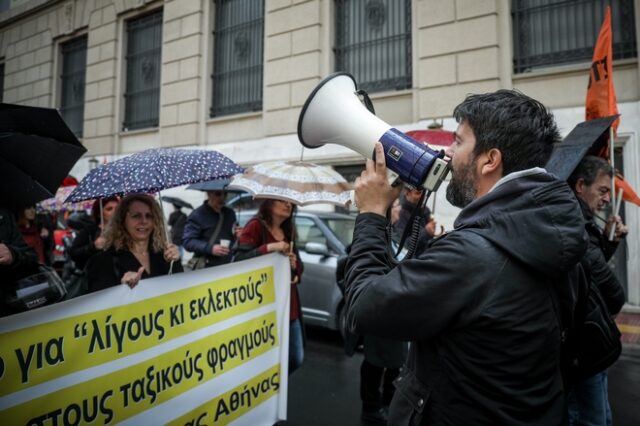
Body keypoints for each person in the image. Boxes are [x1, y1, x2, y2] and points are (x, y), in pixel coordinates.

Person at [344, 90, 588, 425]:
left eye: (458, 142)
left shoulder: (471, 254)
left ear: (490, 160)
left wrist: (371, 214)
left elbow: (363, 307)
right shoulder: (554, 230)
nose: (448, 152)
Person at [566, 155, 627, 426]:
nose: (606, 198)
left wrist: (610, 241)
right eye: (602, 190)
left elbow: (591, 270)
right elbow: (613, 294)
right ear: (581, 186)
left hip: (586, 347)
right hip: (582, 346)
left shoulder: (585, 221)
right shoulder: (575, 223)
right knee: (592, 419)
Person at [233, 199, 304, 374]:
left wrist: (295, 268)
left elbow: (299, 267)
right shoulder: (256, 226)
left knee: (295, 357)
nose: (289, 205)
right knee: (263, 358)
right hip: (264, 307)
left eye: (291, 203)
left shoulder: (289, 231)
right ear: (269, 203)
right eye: (283, 201)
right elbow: (239, 260)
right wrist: (270, 247)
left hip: (289, 306)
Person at [86, 194, 182, 292]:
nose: (144, 221)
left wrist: (176, 262)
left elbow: (180, 292)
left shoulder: (164, 255)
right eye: (136, 216)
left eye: (149, 216)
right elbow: (99, 303)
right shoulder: (102, 261)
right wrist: (121, 288)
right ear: (122, 220)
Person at [0, 207, 40, 317]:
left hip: (10, 310)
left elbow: (32, 258)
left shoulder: (4, 217)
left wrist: (12, 255)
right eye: (28, 208)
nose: (32, 211)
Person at [182, 190, 237, 268]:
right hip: (207, 267)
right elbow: (187, 242)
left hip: (229, 265)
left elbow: (232, 236)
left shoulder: (230, 213)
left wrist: (238, 235)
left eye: (225, 194)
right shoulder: (198, 215)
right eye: (218, 194)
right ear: (209, 194)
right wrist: (210, 248)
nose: (222, 198)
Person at [68, 196, 119, 271]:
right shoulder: (89, 231)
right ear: (99, 214)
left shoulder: (126, 229)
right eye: (109, 209)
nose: (115, 212)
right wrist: (94, 246)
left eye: (117, 208)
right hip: (98, 276)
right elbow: (74, 254)